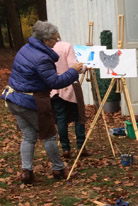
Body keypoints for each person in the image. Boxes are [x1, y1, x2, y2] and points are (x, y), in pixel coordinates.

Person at [1, 20, 83, 184]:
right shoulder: (42, 59)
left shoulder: (26, 48)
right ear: (45, 40)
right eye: (54, 39)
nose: (57, 41)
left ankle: (27, 172)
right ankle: (59, 169)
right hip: (31, 101)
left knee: (29, 136)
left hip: (14, 99)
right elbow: (55, 83)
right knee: (49, 136)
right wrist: (74, 71)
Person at [51, 40, 88, 158]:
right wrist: (86, 66)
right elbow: (75, 67)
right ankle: (81, 147)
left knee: (61, 118)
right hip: (68, 85)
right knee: (78, 116)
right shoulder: (66, 46)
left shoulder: (46, 48)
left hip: (54, 87)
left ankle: (65, 148)